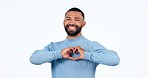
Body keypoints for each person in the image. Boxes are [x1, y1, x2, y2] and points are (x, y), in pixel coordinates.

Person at [30, 7, 120, 78]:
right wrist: (59, 54)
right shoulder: (54, 47)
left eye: (77, 19)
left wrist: (86, 55)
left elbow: (114, 60)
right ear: (64, 22)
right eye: (68, 19)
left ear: (83, 24)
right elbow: (34, 59)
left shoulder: (91, 46)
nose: (72, 22)